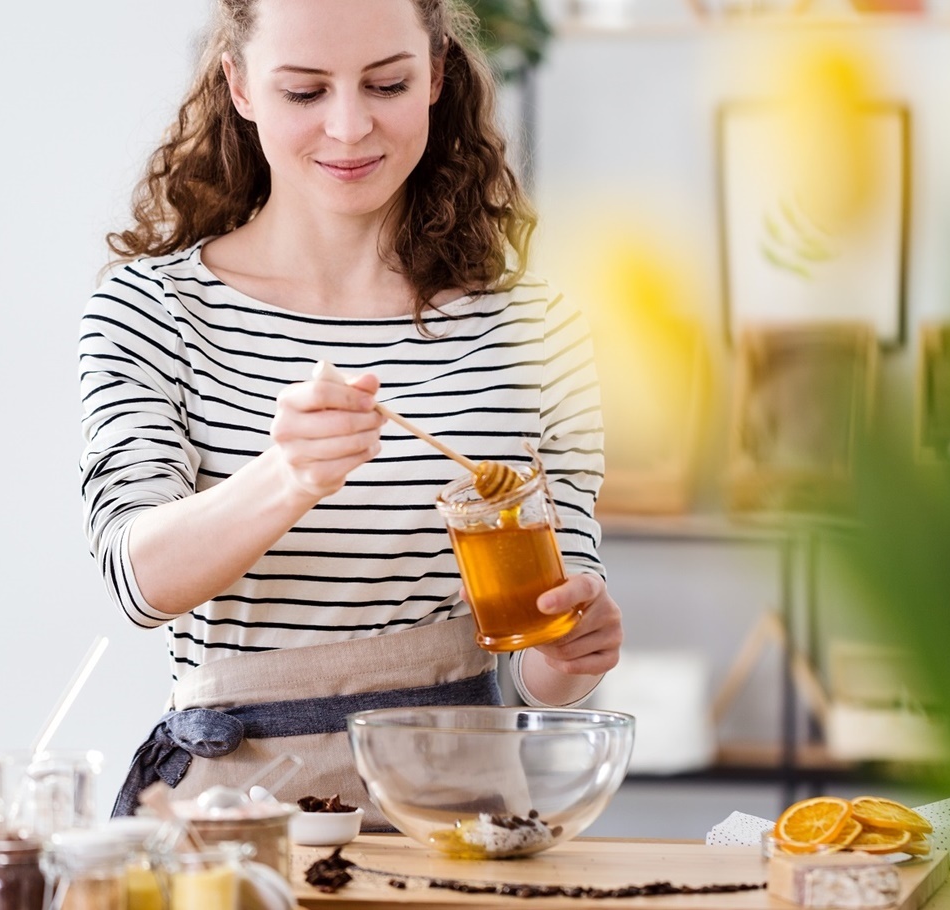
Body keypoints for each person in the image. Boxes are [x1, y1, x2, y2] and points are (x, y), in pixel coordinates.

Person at [80, 0, 624, 822]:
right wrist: (286, 477)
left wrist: (575, 650)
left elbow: (548, 657)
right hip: (236, 815)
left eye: (387, 84)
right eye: (304, 91)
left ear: (436, 76)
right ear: (241, 84)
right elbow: (138, 579)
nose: (347, 127)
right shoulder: (153, 309)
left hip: (458, 808)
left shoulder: (535, 326)